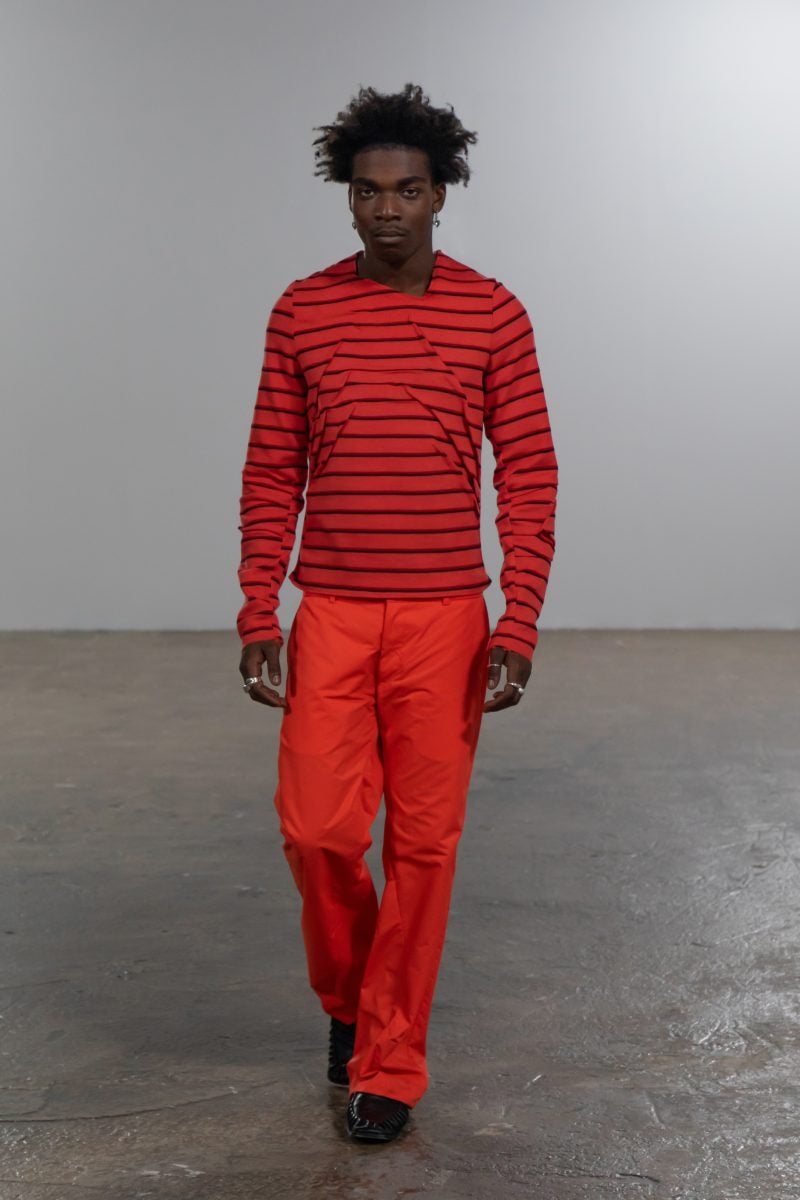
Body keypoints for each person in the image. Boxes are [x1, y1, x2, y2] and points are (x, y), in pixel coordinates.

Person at [236, 82, 558, 1143]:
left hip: (443, 620)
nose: (387, 210)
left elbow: (529, 474)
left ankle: (390, 1062)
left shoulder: (492, 313)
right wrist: (256, 609)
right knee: (318, 832)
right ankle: (352, 997)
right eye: (368, 191)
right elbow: (270, 468)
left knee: (422, 850)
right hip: (329, 610)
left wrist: (517, 621)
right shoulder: (303, 310)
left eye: (407, 190)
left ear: (440, 194)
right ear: (347, 196)